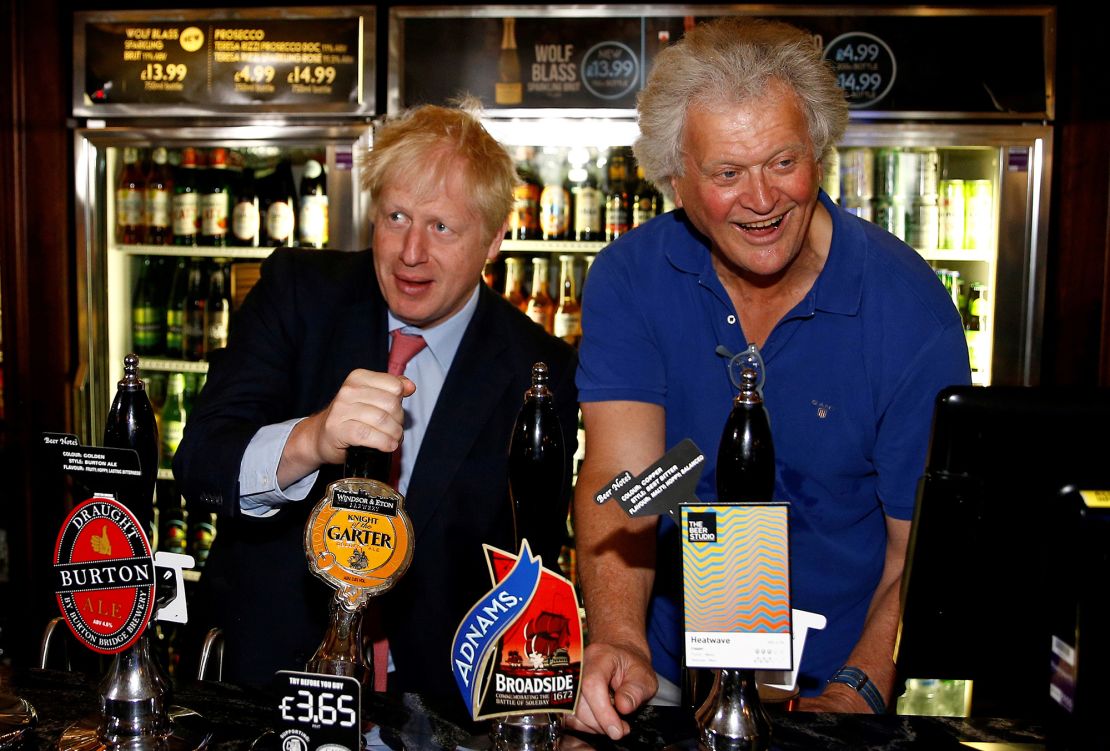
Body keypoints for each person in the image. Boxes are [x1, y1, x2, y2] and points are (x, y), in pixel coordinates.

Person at [568, 17, 970, 739]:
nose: (761, 199)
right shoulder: (632, 278)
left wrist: (854, 694)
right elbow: (626, 484)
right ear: (676, 178)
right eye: (726, 173)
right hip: (666, 679)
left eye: (783, 162)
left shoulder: (908, 308)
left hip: (836, 685)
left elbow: (921, 552)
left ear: (818, 151)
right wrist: (620, 637)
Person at [173, 103, 578, 702]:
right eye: (396, 217)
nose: (411, 252)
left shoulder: (535, 368)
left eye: (442, 227)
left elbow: (533, 559)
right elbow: (201, 465)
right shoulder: (297, 293)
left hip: (442, 709)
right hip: (265, 690)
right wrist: (311, 440)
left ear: (495, 238)